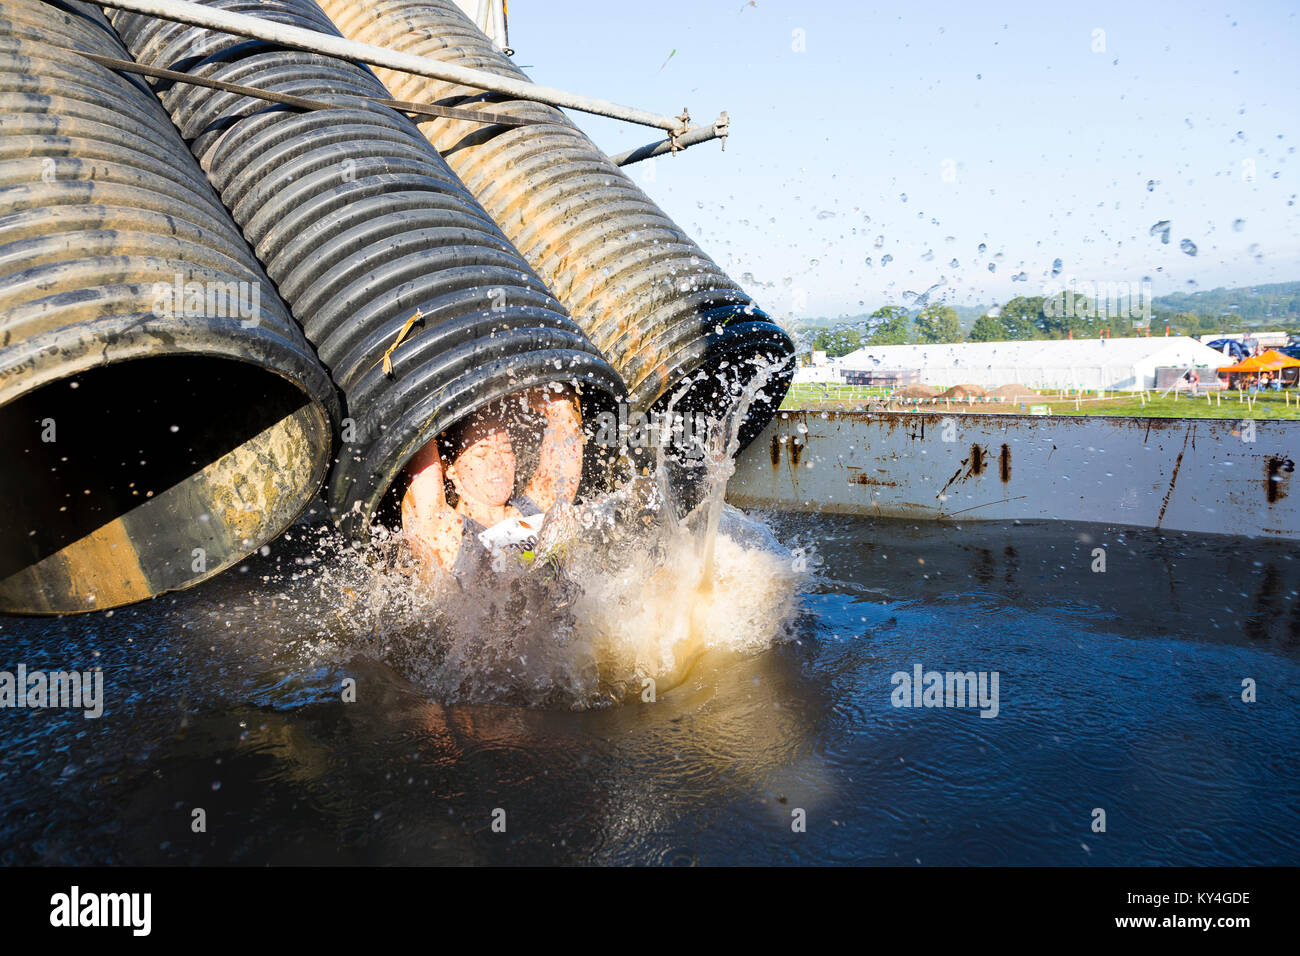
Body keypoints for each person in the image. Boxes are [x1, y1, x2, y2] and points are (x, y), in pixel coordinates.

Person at [400, 386, 585, 578]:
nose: (498, 462)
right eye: (482, 453)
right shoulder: (446, 533)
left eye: (505, 450)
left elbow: (563, 420)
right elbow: (417, 425)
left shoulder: (530, 514)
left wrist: (524, 387)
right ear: (451, 469)